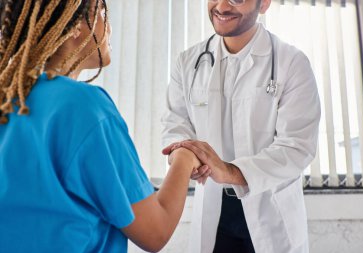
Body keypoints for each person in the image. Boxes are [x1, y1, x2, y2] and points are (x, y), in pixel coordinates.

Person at [0, 1, 201, 252]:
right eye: (102, 12)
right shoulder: (82, 108)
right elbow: (155, 231)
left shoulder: (7, 98)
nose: (110, 27)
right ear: (73, 26)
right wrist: (185, 155)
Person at [161, 0, 321, 252]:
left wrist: (229, 171)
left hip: (271, 213)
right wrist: (186, 156)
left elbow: (297, 147)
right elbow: (175, 127)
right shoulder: (188, 63)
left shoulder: (291, 63)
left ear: (264, 3)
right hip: (214, 213)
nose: (222, 6)